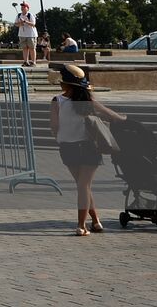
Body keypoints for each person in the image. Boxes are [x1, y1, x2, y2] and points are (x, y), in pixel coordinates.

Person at [51, 64, 126, 235]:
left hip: (67, 148)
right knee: (84, 186)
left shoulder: (57, 101)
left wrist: (60, 138)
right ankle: (94, 222)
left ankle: (82, 225)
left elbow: (54, 126)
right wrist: (125, 120)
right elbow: (111, 115)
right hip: (89, 148)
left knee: (82, 185)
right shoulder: (88, 100)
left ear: (64, 85)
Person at [14, 2, 38, 67]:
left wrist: (25, 21)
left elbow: (33, 24)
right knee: (24, 48)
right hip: (22, 34)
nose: (22, 8)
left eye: (24, 7)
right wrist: (20, 23)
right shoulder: (19, 15)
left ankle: (33, 62)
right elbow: (16, 24)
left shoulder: (30, 15)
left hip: (31, 34)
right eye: (22, 6)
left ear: (27, 8)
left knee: (32, 48)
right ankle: (25, 61)